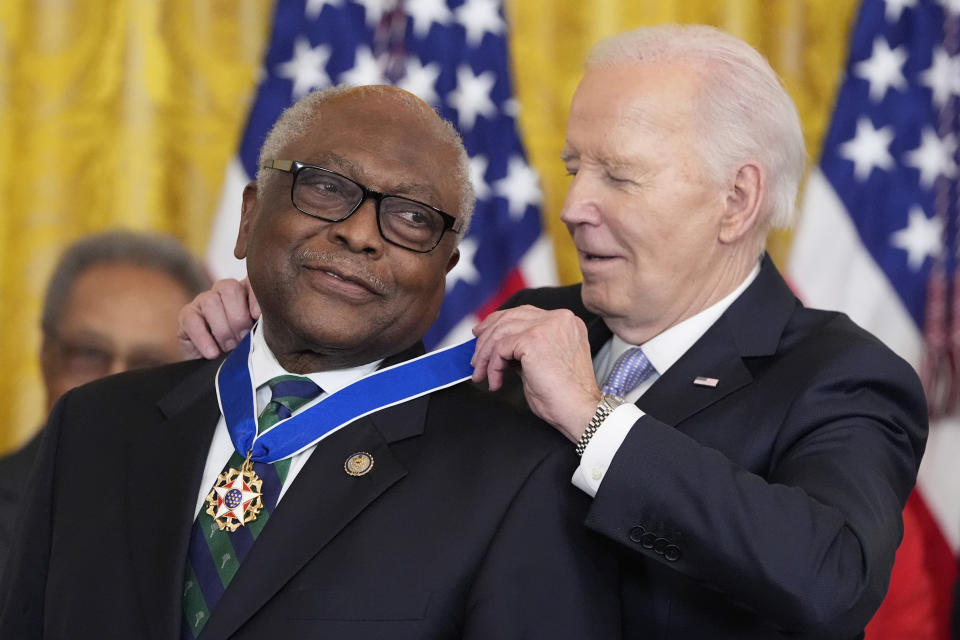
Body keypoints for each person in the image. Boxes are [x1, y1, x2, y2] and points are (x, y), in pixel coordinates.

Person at [179, 26, 928, 637]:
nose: (573, 207)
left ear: (736, 200)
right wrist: (272, 339)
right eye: (575, 169)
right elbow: (378, 440)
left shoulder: (840, 374)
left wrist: (594, 421)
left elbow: (832, 578)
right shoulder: (539, 316)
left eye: (619, 176)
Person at [0, 85, 619, 640]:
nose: (360, 234)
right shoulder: (94, 425)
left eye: (411, 217)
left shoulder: (517, 478)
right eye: (326, 186)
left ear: (444, 274)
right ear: (247, 218)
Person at [0, 229, 211, 579]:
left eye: (149, 366)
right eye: (90, 354)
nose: (113, 384)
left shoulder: (215, 534)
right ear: (46, 357)